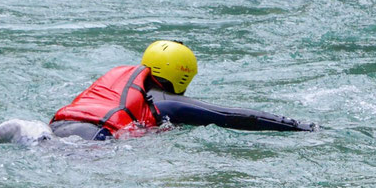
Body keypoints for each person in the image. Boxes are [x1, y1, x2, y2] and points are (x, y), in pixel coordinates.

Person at [41, 41, 316, 141]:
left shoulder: (118, 79)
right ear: (183, 74)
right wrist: (298, 126)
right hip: (97, 138)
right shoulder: (166, 103)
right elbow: (231, 116)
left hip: (58, 126)